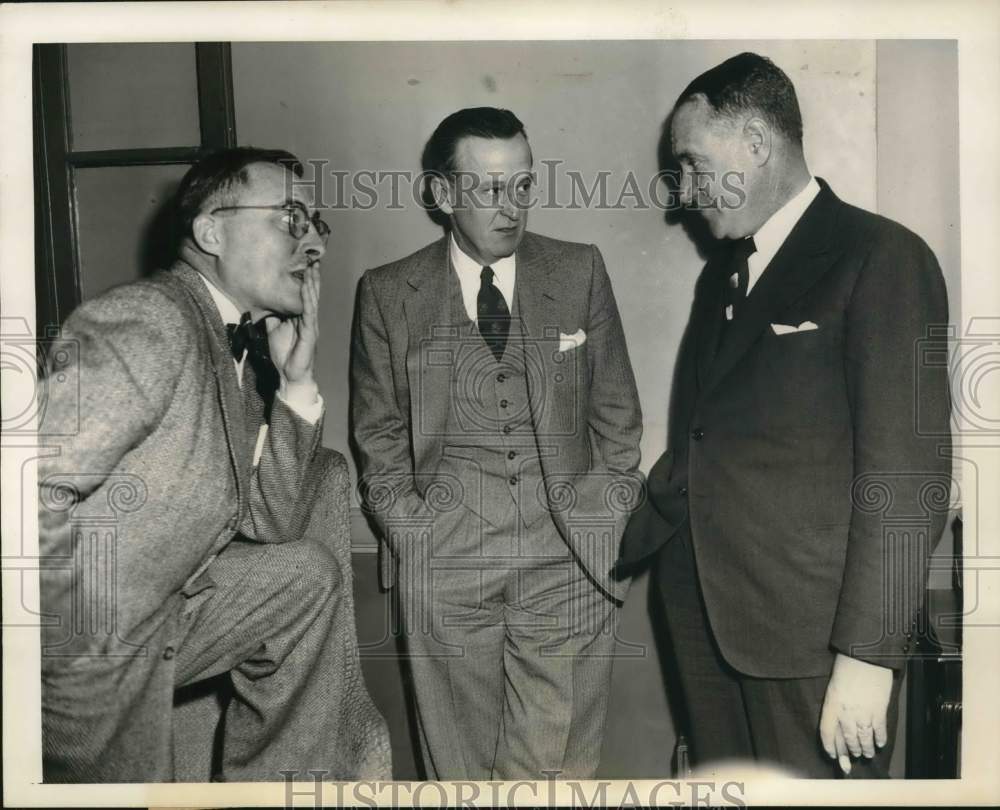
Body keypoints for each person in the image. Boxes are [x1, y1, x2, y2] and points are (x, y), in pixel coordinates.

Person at [617, 53, 952, 777]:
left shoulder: (880, 256)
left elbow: (907, 470)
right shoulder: (723, 276)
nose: (683, 190)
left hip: (814, 642)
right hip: (702, 622)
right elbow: (708, 438)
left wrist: (868, 654)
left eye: (694, 163)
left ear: (757, 144)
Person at [38, 147, 391, 782]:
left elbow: (274, 523)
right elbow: (29, 483)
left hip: (171, 610)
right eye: (289, 218)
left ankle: (271, 789)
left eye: (316, 224)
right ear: (210, 232)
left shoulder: (235, 348)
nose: (313, 244)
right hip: (84, 647)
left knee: (303, 576)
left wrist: (296, 381)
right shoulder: (154, 317)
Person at [351, 107, 643, 779]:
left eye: (522, 185)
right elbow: (379, 440)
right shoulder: (389, 293)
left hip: (564, 561)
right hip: (445, 568)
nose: (510, 207)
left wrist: (598, 526)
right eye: (488, 189)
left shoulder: (580, 271)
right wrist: (418, 540)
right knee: (460, 772)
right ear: (443, 194)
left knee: (556, 773)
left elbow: (618, 421)